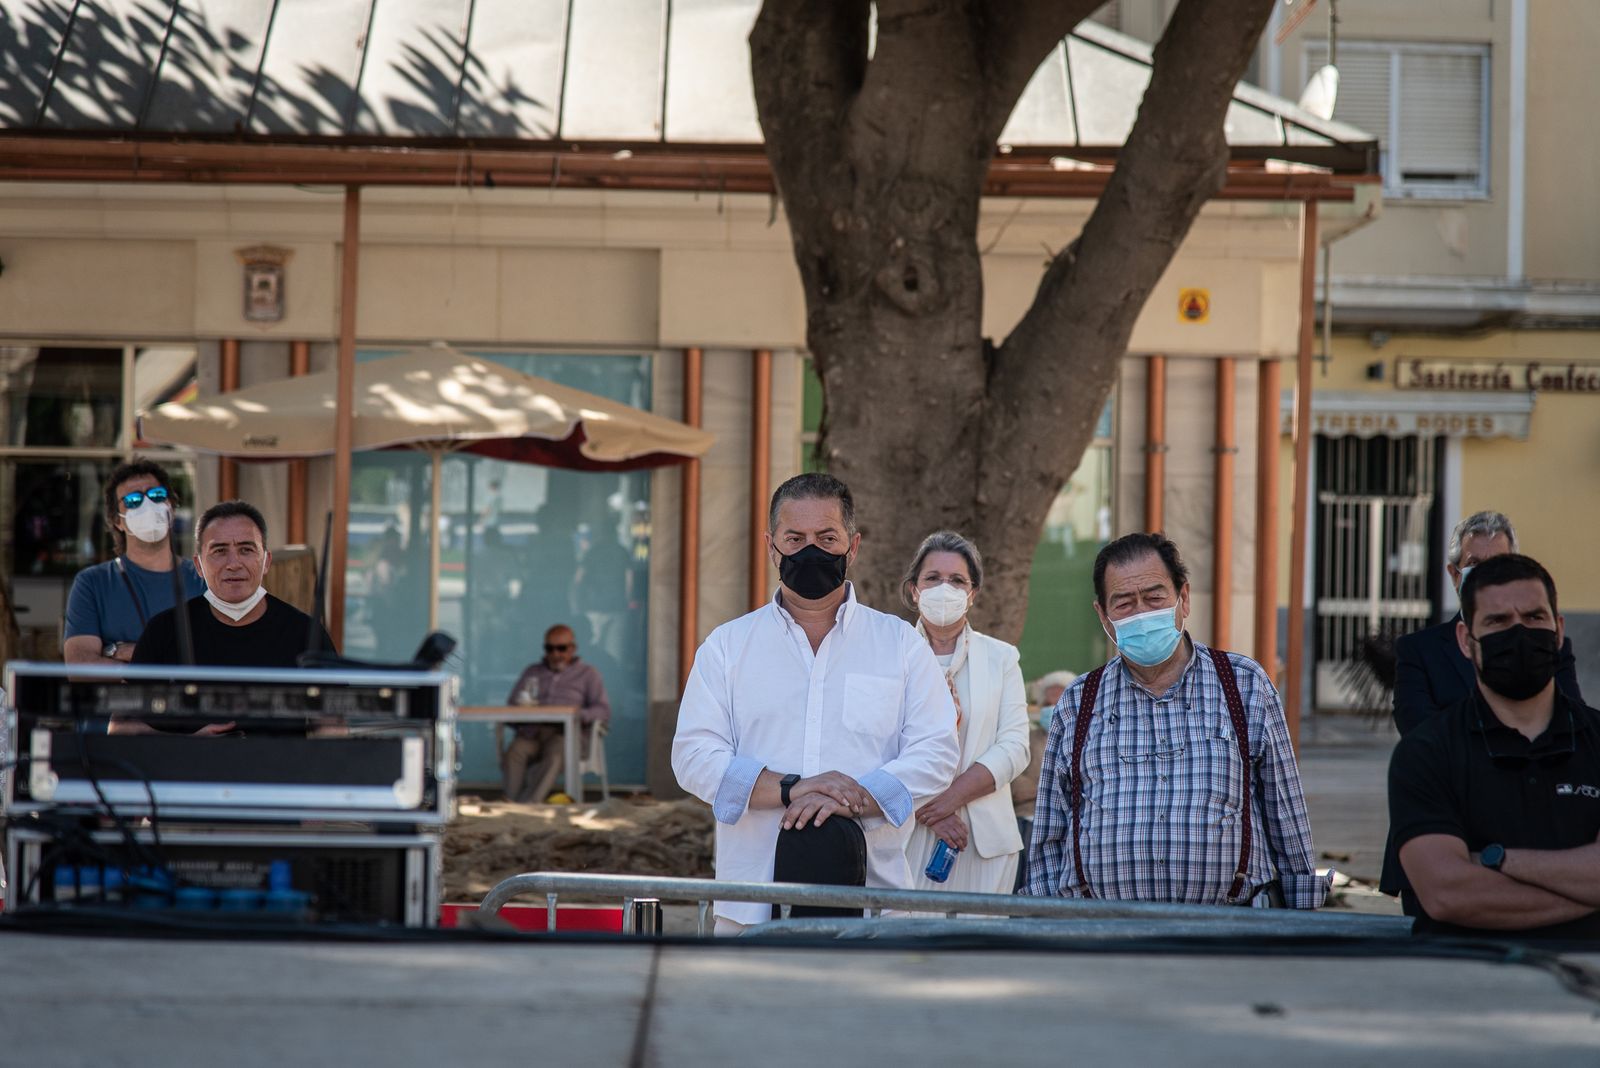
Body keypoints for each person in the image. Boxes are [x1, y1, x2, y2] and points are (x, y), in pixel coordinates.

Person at [672, 473, 960, 934]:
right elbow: (693, 756)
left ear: (853, 546)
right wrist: (791, 788)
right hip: (751, 906)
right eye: (795, 538)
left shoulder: (900, 644)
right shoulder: (727, 646)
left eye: (827, 537)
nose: (811, 550)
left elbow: (937, 750)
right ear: (771, 546)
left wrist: (855, 798)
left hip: (875, 900)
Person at [1023, 532, 1328, 908]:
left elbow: (1286, 814)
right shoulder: (1078, 702)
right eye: (1124, 603)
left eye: (1154, 598)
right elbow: (1050, 832)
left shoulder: (1244, 684)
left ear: (1183, 599)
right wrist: (1044, 926)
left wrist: (1303, 918)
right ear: (1103, 615)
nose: (1142, 614)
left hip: (1230, 932)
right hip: (1102, 937)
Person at [1389, 554, 1600, 941]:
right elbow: (1447, 894)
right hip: (1465, 984)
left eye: (1534, 617)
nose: (1519, 633)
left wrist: (1493, 859)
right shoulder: (1426, 753)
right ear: (1466, 642)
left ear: (1558, 631)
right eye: (1498, 622)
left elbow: (1466, 888)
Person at [900, 531, 1031, 895]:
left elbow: (1016, 746)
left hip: (983, 842)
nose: (946, 588)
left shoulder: (1001, 658)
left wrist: (951, 800)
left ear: (972, 594)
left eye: (957, 580)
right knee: (903, 945)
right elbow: (875, 746)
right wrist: (929, 809)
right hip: (906, 832)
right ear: (914, 590)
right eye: (933, 579)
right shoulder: (891, 654)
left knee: (978, 947)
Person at [1393, 511, 1582, 737]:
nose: (1488, 574)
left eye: (1498, 563)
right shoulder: (1418, 651)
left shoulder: (1547, 643)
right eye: (1475, 563)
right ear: (1455, 575)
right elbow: (1420, 734)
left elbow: (1572, 724)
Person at [132, 500, 333, 668]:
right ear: (198, 565)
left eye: (246, 550)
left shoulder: (307, 635)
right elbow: (124, 716)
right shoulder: (163, 632)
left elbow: (333, 715)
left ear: (266, 562)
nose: (233, 564)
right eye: (219, 551)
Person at [62, 459, 206, 665]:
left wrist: (125, 653)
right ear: (116, 521)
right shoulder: (92, 583)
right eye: (133, 500)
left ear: (171, 508)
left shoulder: (204, 578)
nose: (148, 505)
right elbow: (80, 666)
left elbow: (219, 655)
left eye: (157, 495)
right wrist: (169, 661)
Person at [502, 624, 611, 803]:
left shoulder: (588, 674)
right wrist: (524, 713)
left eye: (561, 648)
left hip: (567, 735)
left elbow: (603, 710)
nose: (555, 654)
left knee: (556, 754)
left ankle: (529, 805)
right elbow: (512, 705)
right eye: (549, 648)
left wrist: (578, 715)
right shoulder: (533, 672)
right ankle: (510, 803)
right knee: (516, 750)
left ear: (572, 649)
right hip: (534, 733)